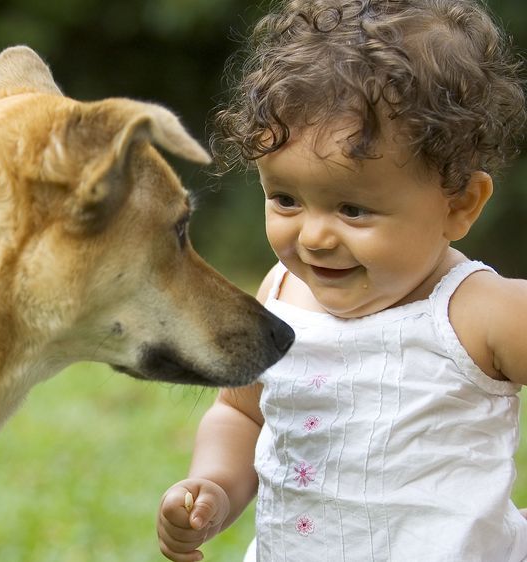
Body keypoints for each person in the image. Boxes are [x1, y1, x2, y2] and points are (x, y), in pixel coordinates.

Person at [156, 1, 527, 560]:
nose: (314, 237)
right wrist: (214, 485)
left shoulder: (480, 312)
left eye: (353, 209)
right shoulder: (280, 294)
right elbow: (241, 411)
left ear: (460, 203)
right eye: (284, 199)